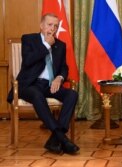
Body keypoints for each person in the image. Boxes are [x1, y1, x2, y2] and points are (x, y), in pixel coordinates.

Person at [7, 13, 79, 154]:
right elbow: (28, 61)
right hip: (28, 84)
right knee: (37, 94)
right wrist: (46, 44)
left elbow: (64, 67)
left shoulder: (60, 45)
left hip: (49, 85)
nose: (53, 28)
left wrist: (60, 77)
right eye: (49, 24)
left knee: (72, 94)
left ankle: (54, 140)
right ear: (41, 26)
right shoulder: (29, 39)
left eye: (56, 26)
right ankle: (62, 139)